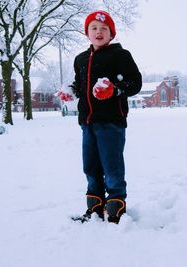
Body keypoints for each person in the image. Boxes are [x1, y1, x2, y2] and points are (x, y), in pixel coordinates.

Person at [57, 10, 142, 223]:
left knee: (111, 166)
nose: (99, 31)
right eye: (94, 28)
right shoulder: (81, 59)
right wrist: (71, 91)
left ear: (111, 34)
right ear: (87, 32)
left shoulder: (121, 56)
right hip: (87, 123)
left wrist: (115, 89)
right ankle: (94, 208)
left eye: (104, 28)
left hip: (111, 122)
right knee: (91, 166)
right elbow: (80, 85)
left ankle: (115, 207)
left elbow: (135, 83)